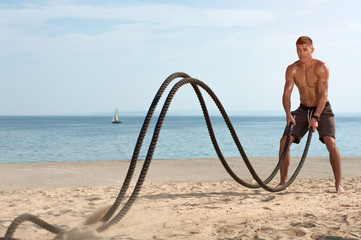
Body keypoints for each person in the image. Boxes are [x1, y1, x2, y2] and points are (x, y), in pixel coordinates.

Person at [279, 36, 345, 194]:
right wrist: (288, 114)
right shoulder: (292, 69)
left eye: (304, 50)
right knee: (284, 141)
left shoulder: (321, 67)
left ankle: (338, 183)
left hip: (322, 108)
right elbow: (286, 95)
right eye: (298, 50)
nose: (301, 53)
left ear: (312, 50)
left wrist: (316, 117)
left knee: (330, 142)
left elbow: (324, 94)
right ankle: (283, 181)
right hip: (303, 109)